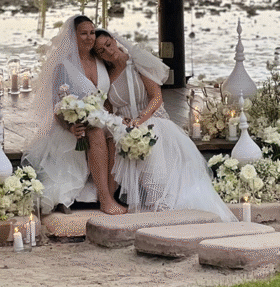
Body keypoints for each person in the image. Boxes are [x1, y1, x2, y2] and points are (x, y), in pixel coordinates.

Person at [94, 29, 236, 221]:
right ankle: (115, 201)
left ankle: (162, 206)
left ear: (114, 40)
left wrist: (140, 120)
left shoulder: (137, 63)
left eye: (108, 44)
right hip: (126, 127)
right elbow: (109, 108)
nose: (108, 51)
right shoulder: (107, 76)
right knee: (116, 140)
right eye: (101, 51)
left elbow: (157, 98)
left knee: (151, 146)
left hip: (152, 119)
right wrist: (122, 121)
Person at [22, 15, 126, 214]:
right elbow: (57, 105)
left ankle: (110, 196)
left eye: (92, 32)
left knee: (116, 136)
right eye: (83, 33)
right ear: (73, 36)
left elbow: (106, 98)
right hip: (75, 125)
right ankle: (105, 200)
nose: (89, 37)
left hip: (102, 118)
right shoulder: (64, 66)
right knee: (95, 132)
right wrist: (70, 126)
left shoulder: (100, 60)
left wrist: (117, 118)